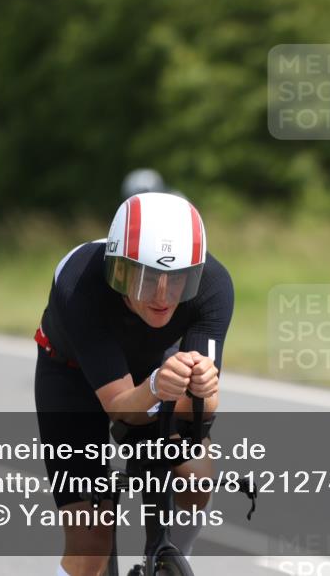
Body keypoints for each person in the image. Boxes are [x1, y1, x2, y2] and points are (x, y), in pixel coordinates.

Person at [34, 192, 234, 576]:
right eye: (144, 279)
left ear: (196, 273)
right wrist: (159, 384)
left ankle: (174, 559)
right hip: (72, 373)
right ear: (117, 271)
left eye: (177, 280)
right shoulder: (81, 283)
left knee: (195, 479)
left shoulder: (213, 286)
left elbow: (202, 413)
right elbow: (121, 407)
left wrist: (205, 390)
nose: (161, 297)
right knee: (91, 539)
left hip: (155, 368)